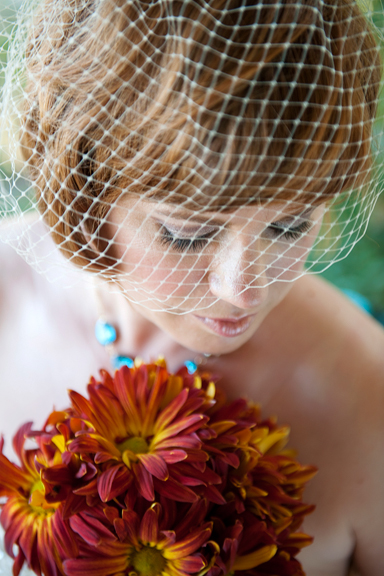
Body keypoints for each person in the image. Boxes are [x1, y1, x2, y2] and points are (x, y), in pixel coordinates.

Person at [0, 0, 384, 575]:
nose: (244, 290)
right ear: (84, 193)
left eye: (289, 224)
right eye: (186, 233)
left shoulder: (365, 401)